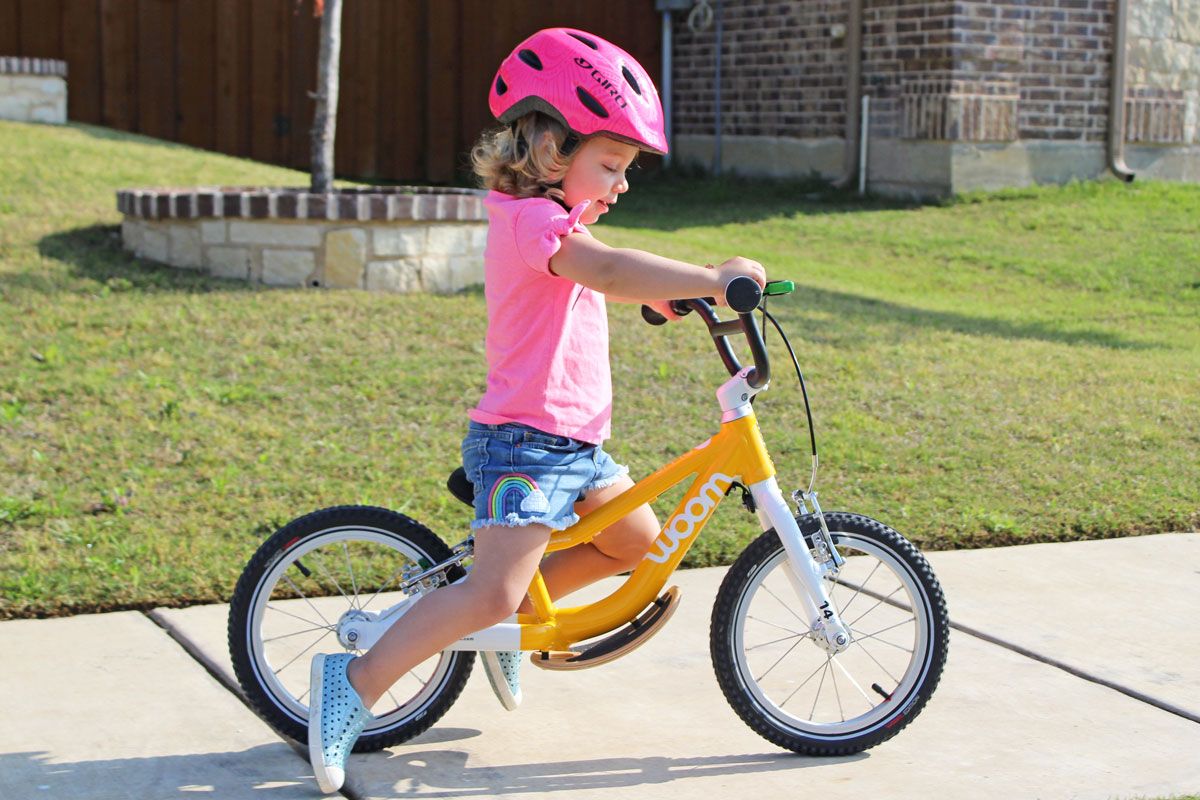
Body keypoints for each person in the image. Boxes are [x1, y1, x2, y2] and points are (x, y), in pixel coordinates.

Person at [307, 27, 765, 793]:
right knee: (491, 587)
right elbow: (611, 269)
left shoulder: (563, 227)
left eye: (625, 170)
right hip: (522, 444)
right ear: (554, 150)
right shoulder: (532, 225)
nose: (621, 184)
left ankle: (509, 616)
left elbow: (609, 275)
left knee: (634, 542)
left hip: (576, 445)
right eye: (611, 165)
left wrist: (671, 297)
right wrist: (713, 276)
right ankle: (351, 685)